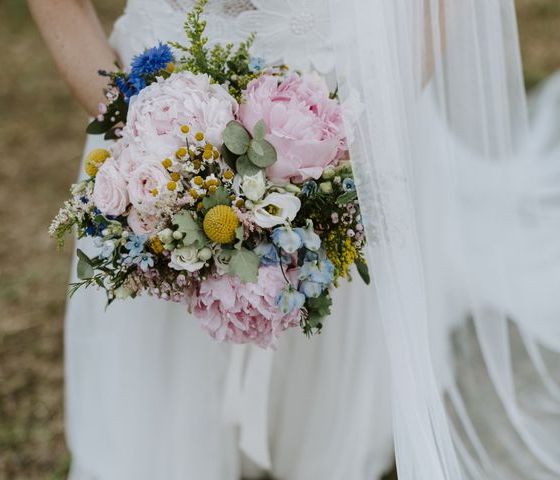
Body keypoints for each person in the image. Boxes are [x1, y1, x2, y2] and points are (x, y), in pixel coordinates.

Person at [28, 1, 394, 479]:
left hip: (340, 107)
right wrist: (146, 146)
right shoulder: (146, 137)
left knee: (322, 403)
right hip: (152, 115)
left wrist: (354, 139)